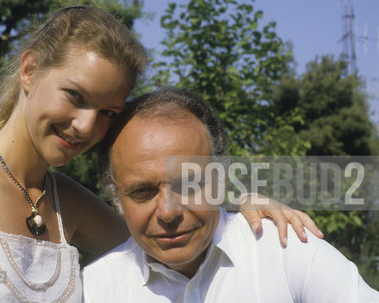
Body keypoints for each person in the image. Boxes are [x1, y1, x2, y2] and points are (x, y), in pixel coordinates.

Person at [0, 7, 321, 303]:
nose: (85, 125)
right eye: (74, 96)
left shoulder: (68, 200)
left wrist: (242, 208)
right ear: (28, 70)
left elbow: (166, 236)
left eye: (107, 113)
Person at [83, 88, 379, 302]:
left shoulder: (286, 249)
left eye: (189, 185)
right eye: (143, 192)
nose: (168, 212)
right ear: (116, 199)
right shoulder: (94, 290)